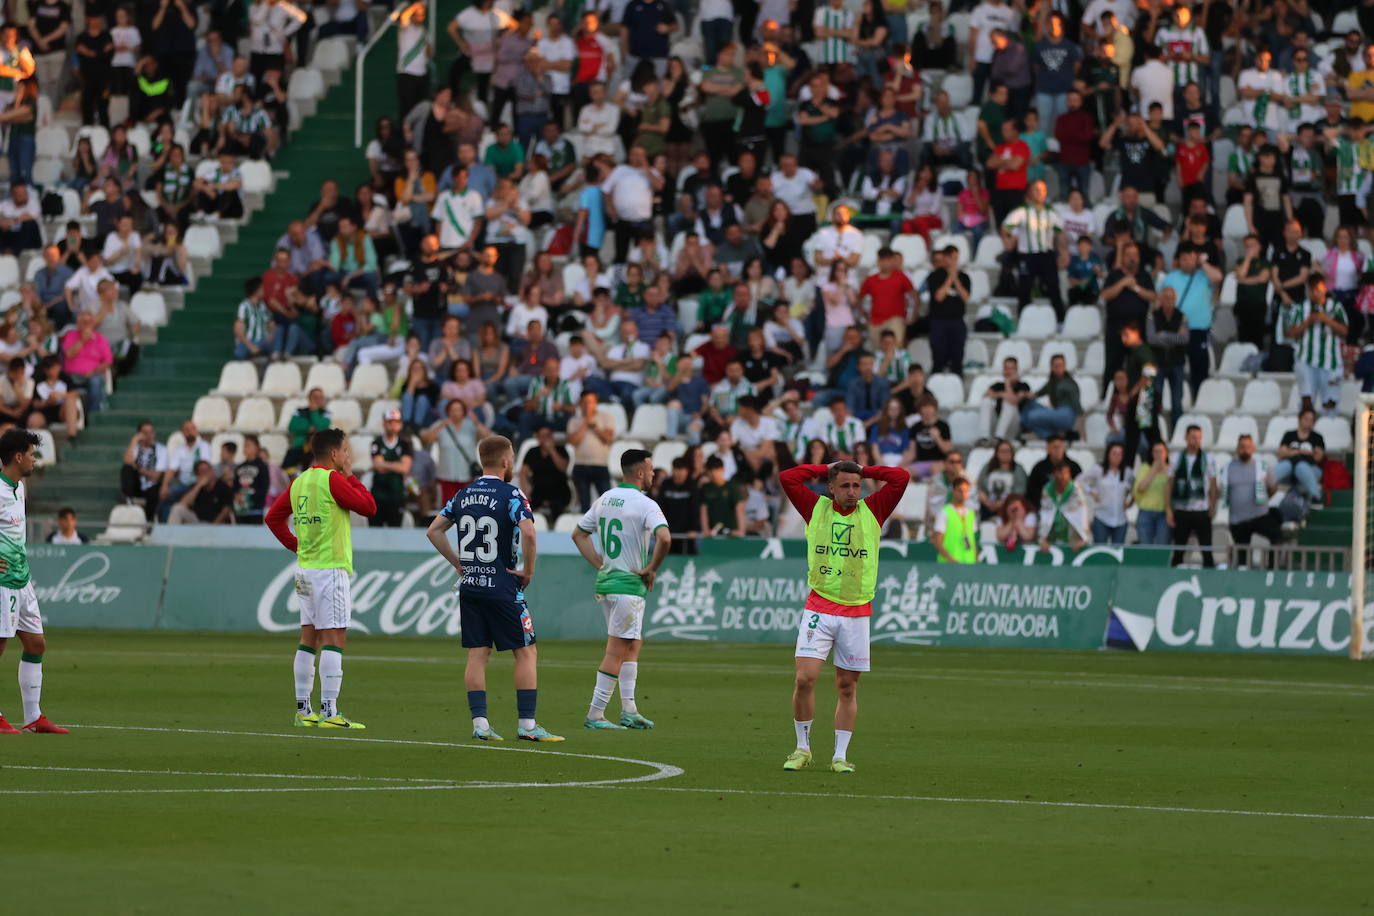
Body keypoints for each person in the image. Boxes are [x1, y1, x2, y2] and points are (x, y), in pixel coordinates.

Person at [425, 434, 563, 743]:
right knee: (526, 651)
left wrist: (458, 564)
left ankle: (480, 724)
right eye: (512, 456)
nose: (512, 461)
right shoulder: (511, 494)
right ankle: (527, 726)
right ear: (505, 461)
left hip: (471, 584)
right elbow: (529, 532)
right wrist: (529, 569)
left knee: (478, 654)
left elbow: (433, 530)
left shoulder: (463, 494)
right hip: (502, 585)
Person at [777, 458, 908, 773]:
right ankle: (802, 748)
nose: (853, 492)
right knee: (804, 678)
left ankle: (839, 756)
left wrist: (866, 470)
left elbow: (901, 477)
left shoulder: (872, 511)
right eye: (845, 485)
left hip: (856, 612)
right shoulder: (815, 508)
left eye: (856, 485)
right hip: (819, 607)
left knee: (847, 687)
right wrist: (827, 467)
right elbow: (788, 477)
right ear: (831, 487)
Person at [265, 428, 377, 729]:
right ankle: (330, 712)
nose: (348, 456)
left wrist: (295, 545)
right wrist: (352, 476)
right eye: (346, 451)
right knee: (334, 639)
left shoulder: (299, 482)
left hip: (305, 569)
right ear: (334, 454)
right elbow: (369, 507)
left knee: (308, 639)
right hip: (330, 570)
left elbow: (273, 518)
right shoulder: (333, 480)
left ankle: (303, 710)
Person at [571, 448, 672, 731]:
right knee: (617, 649)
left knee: (633, 643)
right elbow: (664, 537)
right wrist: (652, 568)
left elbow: (578, 534)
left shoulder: (605, 499)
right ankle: (595, 714)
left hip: (606, 583)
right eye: (651, 469)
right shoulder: (645, 504)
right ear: (640, 473)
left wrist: (600, 564)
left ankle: (629, 709)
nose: (653, 473)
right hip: (628, 586)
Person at [0, 430, 65, 733]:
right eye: (32, 454)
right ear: (18, 456)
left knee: (36, 643)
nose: (35, 459)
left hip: (21, 580)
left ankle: (32, 718)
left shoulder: (19, 487)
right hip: (2, 582)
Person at [1283, 276, 1348, 416]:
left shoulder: (1335, 307)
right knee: (1307, 402)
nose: (1316, 293)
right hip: (1306, 359)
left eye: (1318, 289)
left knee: (1330, 402)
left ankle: (1329, 430)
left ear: (1325, 288)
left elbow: (1345, 330)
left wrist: (1327, 320)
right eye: (1313, 290)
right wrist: (1308, 322)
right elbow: (1289, 332)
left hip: (1331, 362)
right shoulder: (1300, 308)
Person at [1222, 434, 1281, 569]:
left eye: (1248, 447)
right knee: (1242, 553)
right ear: (1237, 449)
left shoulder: (1262, 466)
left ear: (1253, 448)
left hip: (1259, 515)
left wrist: (1264, 499)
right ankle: (1243, 578)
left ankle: (1272, 569)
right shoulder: (1229, 468)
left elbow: (1273, 487)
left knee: (1276, 535)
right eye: (1242, 447)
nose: (1245, 450)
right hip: (1238, 519)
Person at [1167, 423, 1218, 569]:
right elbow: (1169, 484)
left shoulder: (1207, 458)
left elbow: (1213, 484)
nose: (1196, 441)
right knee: (1179, 548)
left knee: (1206, 548)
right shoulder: (1176, 458)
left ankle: (1210, 578)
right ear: (1186, 437)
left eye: (1199, 438)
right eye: (1193, 437)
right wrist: (1169, 509)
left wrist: (1212, 506)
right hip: (1182, 509)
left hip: (1201, 509)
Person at [567, 390, 615, 511]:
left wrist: (594, 426)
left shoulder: (606, 418)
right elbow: (573, 441)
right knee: (584, 504)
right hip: (580, 465)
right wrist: (585, 423)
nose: (588, 405)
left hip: (600, 465)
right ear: (580, 403)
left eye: (591, 402)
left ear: (596, 403)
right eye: (585, 402)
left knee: (606, 503)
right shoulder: (574, 421)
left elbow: (608, 439)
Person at [370, 408, 413, 527]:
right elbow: (378, 466)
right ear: (384, 423)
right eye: (390, 422)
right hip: (378, 495)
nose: (393, 425)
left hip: (397, 495)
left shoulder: (405, 444)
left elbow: (405, 468)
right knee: (375, 530)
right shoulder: (377, 442)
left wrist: (386, 464)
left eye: (396, 422)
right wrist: (396, 465)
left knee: (395, 530)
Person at [1037, 461, 1089, 551]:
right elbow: (1045, 513)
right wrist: (1042, 539)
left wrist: (1083, 538)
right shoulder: (1048, 489)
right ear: (1054, 474)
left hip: (1073, 536)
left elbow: (1082, 512)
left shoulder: (1075, 489)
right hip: (1052, 537)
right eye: (1059, 473)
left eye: (1065, 473)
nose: (1062, 477)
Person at [166, 460, 235, 524]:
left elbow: (226, 509)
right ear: (197, 475)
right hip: (197, 523)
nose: (206, 473)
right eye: (202, 471)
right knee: (177, 509)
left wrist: (213, 527)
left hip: (217, 524)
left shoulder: (223, 486)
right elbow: (183, 503)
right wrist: (199, 485)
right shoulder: (195, 486)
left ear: (212, 471)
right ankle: (170, 536)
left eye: (208, 470)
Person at [1133, 441, 1172, 546]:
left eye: (1161, 452)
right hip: (1146, 513)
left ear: (1166, 453)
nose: (1159, 455)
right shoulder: (1145, 468)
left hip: (1163, 515)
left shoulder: (1171, 470)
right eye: (1156, 452)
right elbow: (1141, 488)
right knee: (1145, 547)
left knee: (1162, 546)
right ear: (1152, 454)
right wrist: (1154, 469)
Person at [931, 475, 977, 563]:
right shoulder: (945, 512)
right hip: (949, 564)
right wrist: (949, 558)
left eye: (966, 491)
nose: (963, 494)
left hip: (969, 563)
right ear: (953, 491)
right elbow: (936, 541)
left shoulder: (971, 513)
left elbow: (973, 541)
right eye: (960, 491)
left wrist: (975, 559)